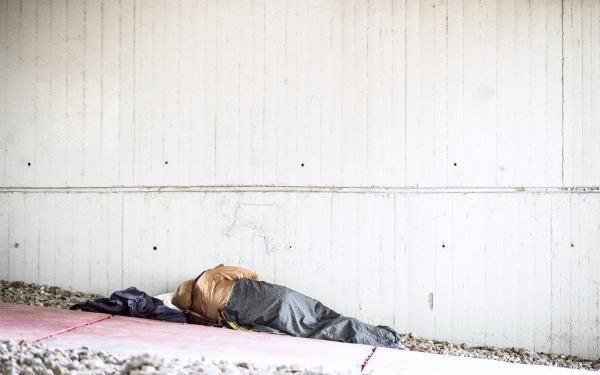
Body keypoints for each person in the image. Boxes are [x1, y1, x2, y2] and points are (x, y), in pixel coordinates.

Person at [171, 264, 402, 349]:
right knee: (324, 315)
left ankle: (379, 339)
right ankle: (385, 337)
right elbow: (249, 274)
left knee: (315, 329)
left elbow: (229, 324)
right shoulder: (208, 276)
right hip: (271, 296)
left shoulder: (200, 313)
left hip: (259, 316)